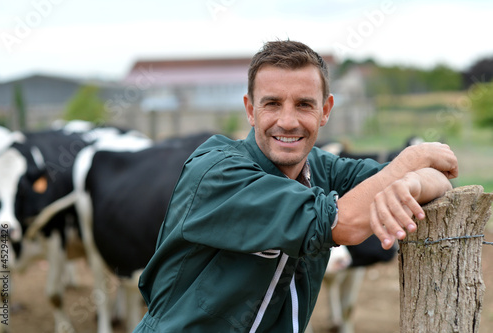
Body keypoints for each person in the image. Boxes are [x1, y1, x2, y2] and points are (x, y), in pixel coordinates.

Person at [132, 40, 458, 333]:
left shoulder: (322, 167)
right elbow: (344, 224)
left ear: (325, 111)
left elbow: (441, 177)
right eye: (272, 103)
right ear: (250, 109)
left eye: (304, 104)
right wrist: (407, 163)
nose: (287, 121)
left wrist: (411, 181)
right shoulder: (218, 173)